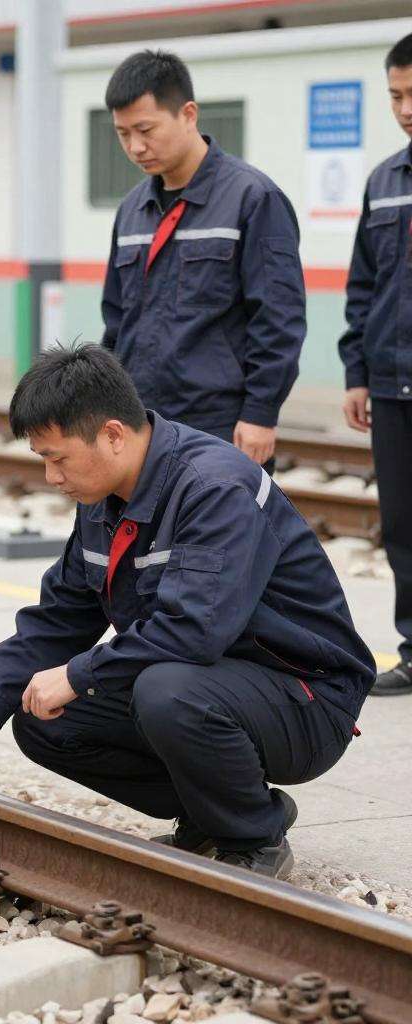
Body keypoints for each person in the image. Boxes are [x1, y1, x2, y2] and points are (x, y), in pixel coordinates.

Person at [0, 346, 374, 879]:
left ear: (113, 435)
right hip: (210, 680)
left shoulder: (213, 487)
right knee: (39, 712)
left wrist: (79, 674)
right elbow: (60, 616)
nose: (51, 476)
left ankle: (254, 833)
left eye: (57, 457)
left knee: (165, 691)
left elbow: (193, 630)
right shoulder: (103, 498)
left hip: (305, 695)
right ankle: (207, 813)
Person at [100, 49, 306, 470]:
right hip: (141, 420)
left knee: (217, 534)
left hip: (220, 422)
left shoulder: (253, 198)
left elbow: (279, 318)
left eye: (146, 129)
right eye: (123, 134)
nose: (136, 147)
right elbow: (116, 321)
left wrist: (261, 413)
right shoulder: (132, 210)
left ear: (188, 114)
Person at [338, 33, 412, 696]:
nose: (406, 108)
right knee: (404, 525)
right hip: (392, 383)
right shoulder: (385, 180)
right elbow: (363, 285)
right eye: (395, 95)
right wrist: (356, 372)